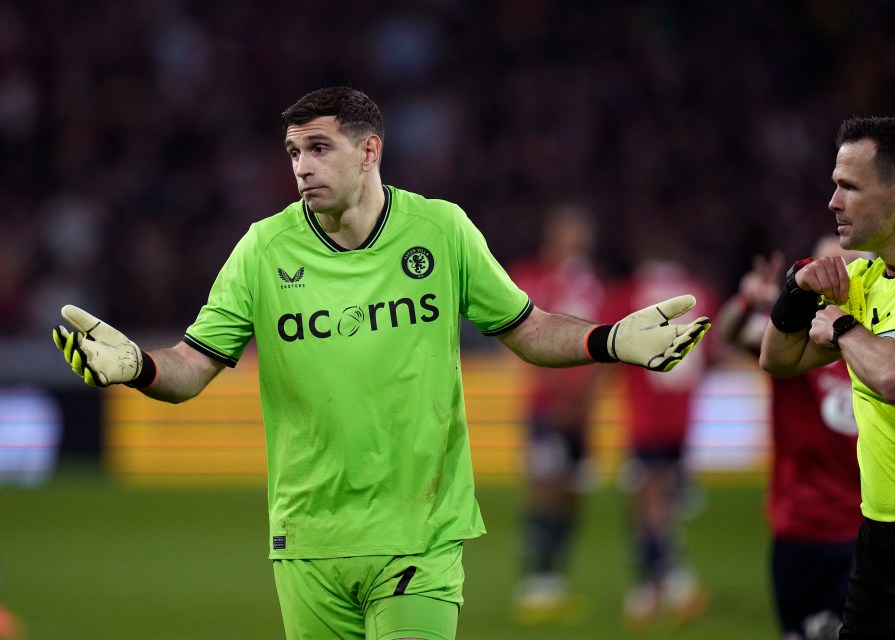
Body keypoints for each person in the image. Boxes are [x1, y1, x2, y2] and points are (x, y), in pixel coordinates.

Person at [51, 87, 710, 640]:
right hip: (307, 542)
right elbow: (193, 365)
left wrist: (607, 341)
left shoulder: (441, 230)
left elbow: (528, 327)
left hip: (416, 534)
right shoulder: (261, 250)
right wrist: (138, 367)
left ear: (370, 152)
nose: (301, 167)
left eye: (318, 148)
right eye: (293, 152)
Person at [759, 116, 895, 638]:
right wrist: (797, 292)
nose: (833, 201)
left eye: (849, 186)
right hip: (878, 541)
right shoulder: (866, 280)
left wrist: (842, 325)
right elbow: (777, 360)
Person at [717, 235, 864, 640]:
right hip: (800, 527)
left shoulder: (882, 341)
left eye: (844, 265)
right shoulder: (793, 341)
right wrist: (748, 301)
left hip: (868, 527)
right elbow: (729, 335)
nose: (834, 275)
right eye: (824, 266)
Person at [507, 205, 609, 624]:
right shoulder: (531, 277)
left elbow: (605, 344)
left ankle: (555, 582)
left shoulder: (592, 285)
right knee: (544, 488)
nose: (579, 242)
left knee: (572, 494)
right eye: (571, 234)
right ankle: (535, 580)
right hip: (546, 411)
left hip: (581, 414)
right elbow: (524, 338)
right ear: (554, 236)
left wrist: (586, 401)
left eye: (582, 235)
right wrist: (555, 394)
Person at [614, 255, 718, 627]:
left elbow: (610, 346)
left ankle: (669, 581)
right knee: (660, 503)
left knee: (648, 502)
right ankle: (655, 585)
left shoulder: (630, 293)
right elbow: (714, 351)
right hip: (683, 417)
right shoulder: (699, 291)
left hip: (647, 417)